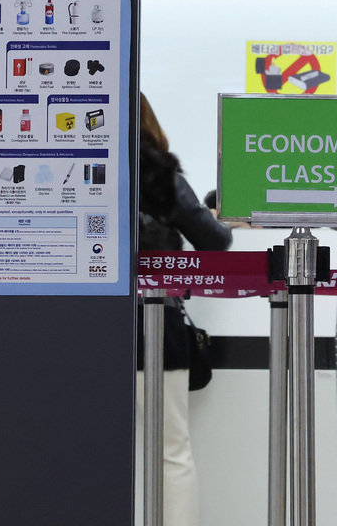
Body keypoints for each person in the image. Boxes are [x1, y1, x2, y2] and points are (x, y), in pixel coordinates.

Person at [136, 92, 231, 526]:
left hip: (82, 327)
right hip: (153, 323)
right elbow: (214, 240)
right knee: (171, 451)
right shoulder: (156, 172)